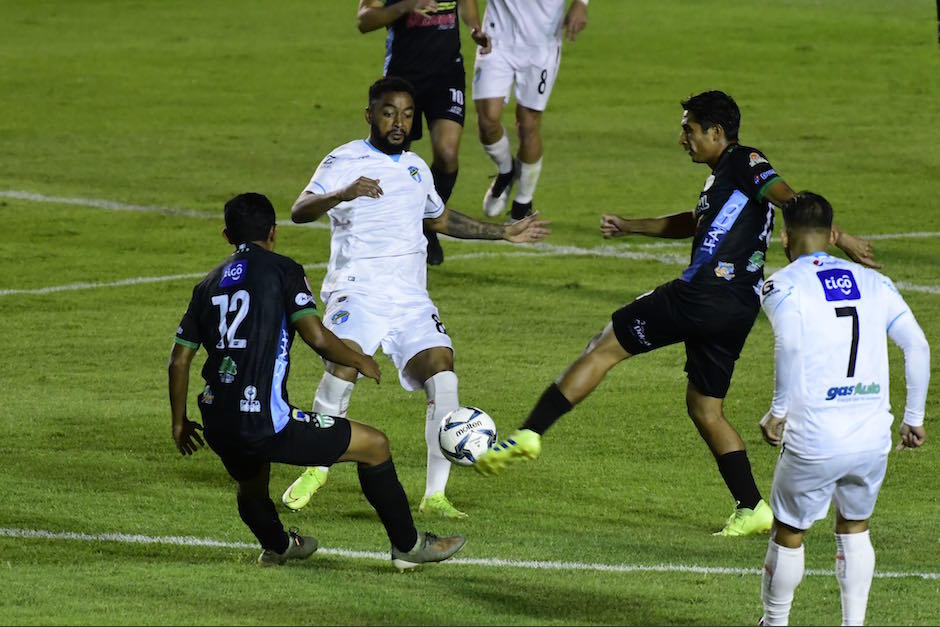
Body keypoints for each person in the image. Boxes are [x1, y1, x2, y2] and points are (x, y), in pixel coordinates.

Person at [474, 90, 880, 537]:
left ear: (716, 132)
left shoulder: (745, 160)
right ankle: (752, 507)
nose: (682, 138)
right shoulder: (724, 178)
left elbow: (795, 202)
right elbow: (695, 221)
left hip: (702, 294)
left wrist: (841, 238)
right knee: (705, 406)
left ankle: (529, 433)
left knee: (605, 345)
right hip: (738, 308)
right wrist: (632, 226)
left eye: (689, 129)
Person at [281, 77, 550, 519]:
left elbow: (440, 218)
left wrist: (504, 232)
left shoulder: (416, 167)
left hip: (410, 298)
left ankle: (435, 495)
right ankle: (316, 466)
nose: (398, 122)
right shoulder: (344, 159)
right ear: (370, 115)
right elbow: (299, 209)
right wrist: (341, 194)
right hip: (359, 290)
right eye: (389, 113)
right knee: (343, 366)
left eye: (407, 115)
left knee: (442, 372)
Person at [168, 192, 467, 570]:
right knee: (374, 445)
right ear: (273, 232)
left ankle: (278, 545)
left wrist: (179, 423)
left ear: (227, 236)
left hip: (217, 419)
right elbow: (317, 336)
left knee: (251, 482)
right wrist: (359, 360)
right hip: (265, 420)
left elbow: (179, 361)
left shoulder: (207, 285)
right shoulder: (282, 270)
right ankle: (408, 546)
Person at [757, 192, 929, 626]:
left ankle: (775, 623)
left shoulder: (782, 284)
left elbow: (790, 343)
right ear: (833, 235)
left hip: (816, 434)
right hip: (872, 435)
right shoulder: (875, 283)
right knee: (855, 525)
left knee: (790, 532)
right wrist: (914, 417)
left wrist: (778, 409)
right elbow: (918, 345)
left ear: (784, 238)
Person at [356, 0, 491, 266]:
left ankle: (428, 223)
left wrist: (475, 28)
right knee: (397, 159)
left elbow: (466, 3)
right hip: (403, 75)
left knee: (447, 154)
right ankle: (397, 233)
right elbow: (364, 20)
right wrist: (405, 7)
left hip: (447, 72)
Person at [473, 0, 588, 221]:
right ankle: (506, 171)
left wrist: (581, 3)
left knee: (528, 125)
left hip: (541, 41)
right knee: (487, 122)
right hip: (497, 36)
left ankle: (523, 203)